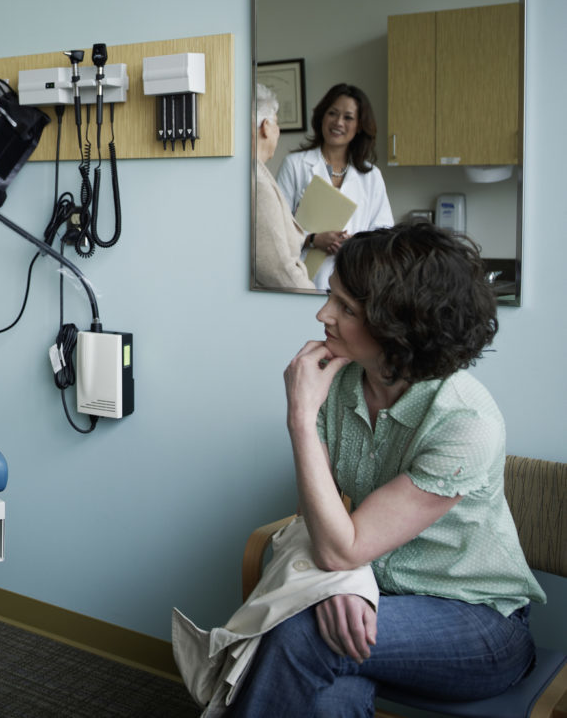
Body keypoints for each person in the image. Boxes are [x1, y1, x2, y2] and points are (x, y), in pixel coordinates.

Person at [229, 221, 544, 716]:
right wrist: (341, 582)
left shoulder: (465, 421)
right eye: (330, 296)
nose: (322, 314)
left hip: (479, 623)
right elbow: (317, 521)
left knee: (301, 634)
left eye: (345, 308)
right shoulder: (341, 382)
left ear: (397, 326)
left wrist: (299, 419)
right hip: (378, 593)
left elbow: (341, 547)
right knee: (330, 692)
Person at [276, 83, 393, 291]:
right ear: (322, 116)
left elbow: (384, 234)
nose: (338, 122)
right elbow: (276, 226)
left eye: (348, 117)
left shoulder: (371, 176)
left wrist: (353, 244)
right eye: (332, 113)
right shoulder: (295, 164)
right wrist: (313, 239)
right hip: (303, 280)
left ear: (359, 126)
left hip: (354, 280)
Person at [254, 83, 315, 289]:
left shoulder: (255, 173)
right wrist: (313, 299)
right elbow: (277, 270)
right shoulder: (257, 184)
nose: (278, 131)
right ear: (266, 126)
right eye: (277, 123)